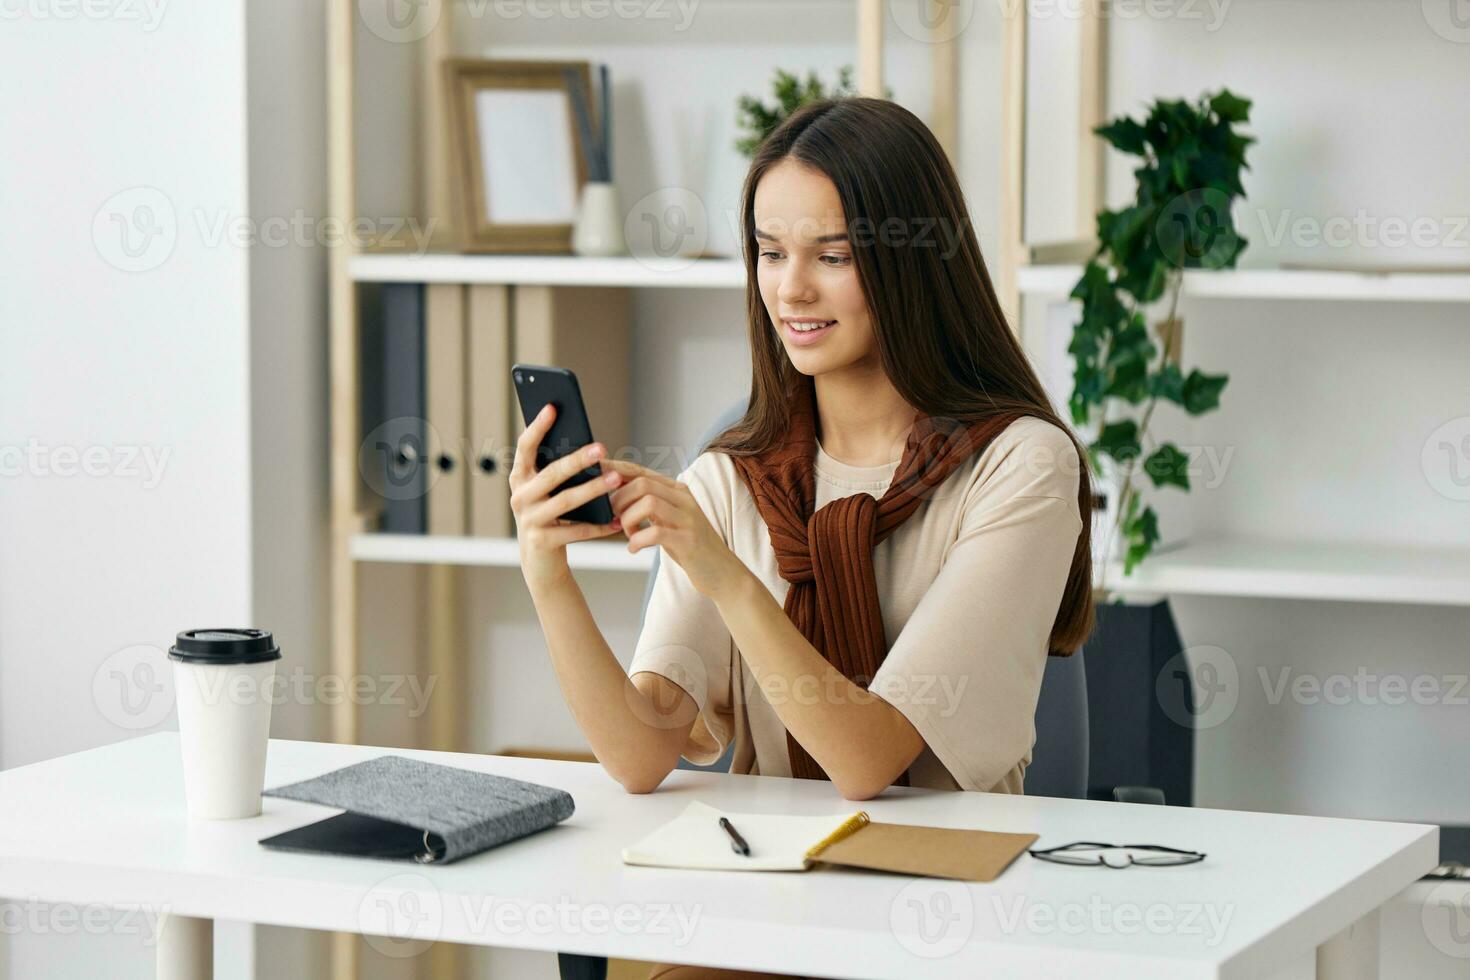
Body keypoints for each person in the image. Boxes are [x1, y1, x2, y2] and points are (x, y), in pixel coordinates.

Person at [509, 97, 1095, 980]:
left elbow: (865, 761)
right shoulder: (734, 477)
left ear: (912, 263)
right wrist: (546, 572)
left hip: (944, 924)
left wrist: (728, 575)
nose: (791, 289)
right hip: (763, 908)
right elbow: (639, 754)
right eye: (769, 252)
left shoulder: (1020, 468)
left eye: (834, 256)